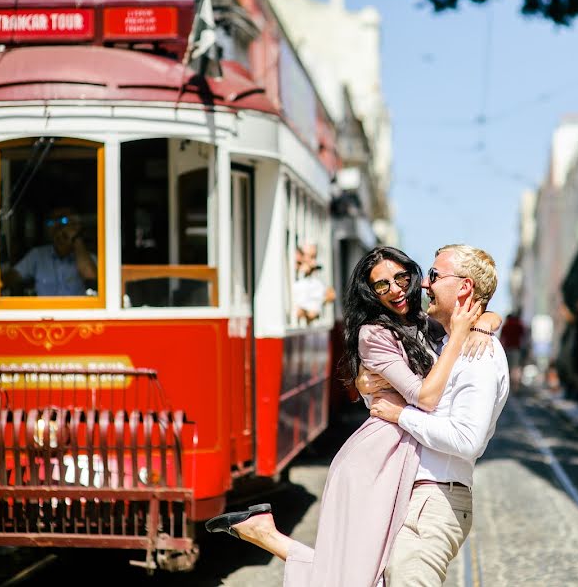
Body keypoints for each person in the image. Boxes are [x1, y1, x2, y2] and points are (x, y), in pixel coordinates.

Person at [205, 246, 500, 586]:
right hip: (376, 459)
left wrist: (486, 323)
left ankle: (264, 533)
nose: (396, 289)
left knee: (358, 575)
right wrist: (463, 334)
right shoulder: (373, 333)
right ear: (370, 293)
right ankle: (264, 533)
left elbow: (468, 322)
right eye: (382, 285)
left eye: (401, 277)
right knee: (356, 574)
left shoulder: (422, 324)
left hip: (402, 454)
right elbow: (426, 397)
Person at [364, 244, 510, 586]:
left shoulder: (480, 354)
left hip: (435, 500)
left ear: (464, 287)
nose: (424, 285)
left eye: (434, 275)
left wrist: (401, 416)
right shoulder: (445, 344)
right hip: (413, 497)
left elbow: (467, 440)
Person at [2, 207, 97, 296]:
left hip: (76, 313)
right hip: (44, 313)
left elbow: (90, 275)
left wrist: (76, 237)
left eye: (64, 221)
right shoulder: (38, 255)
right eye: (52, 222)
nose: (58, 226)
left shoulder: (86, 256)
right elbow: (8, 279)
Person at [293, 244, 336, 323]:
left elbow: (312, 314)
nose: (314, 262)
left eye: (314, 257)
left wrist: (303, 312)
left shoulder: (316, 285)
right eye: (311, 257)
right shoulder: (308, 280)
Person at [499, 310, 527, 387]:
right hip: (516, 349)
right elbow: (524, 337)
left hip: (507, 349)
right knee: (516, 368)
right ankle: (516, 386)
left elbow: (502, 338)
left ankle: (509, 386)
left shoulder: (506, 326)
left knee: (508, 368)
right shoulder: (519, 325)